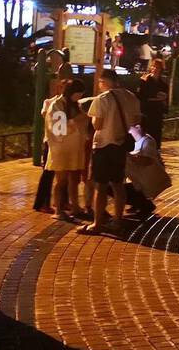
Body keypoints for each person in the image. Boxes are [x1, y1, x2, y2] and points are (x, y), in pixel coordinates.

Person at [82, 69, 141, 236]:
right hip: (122, 145)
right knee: (118, 184)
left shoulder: (103, 99)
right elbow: (136, 121)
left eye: (100, 82)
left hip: (104, 146)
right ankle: (118, 220)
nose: (99, 85)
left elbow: (97, 125)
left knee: (100, 185)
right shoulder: (131, 97)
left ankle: (97, 222)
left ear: (105, 82)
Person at [41, 80, 89, 221]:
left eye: (80, 94)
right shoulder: (56, 105)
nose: (79, 97)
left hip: (75, 147)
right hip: (60, 149)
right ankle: (59, 209)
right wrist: (76, 120)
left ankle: (75, 206)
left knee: (74, 178)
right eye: (77, 94)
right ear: (70, 92)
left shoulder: (77, 105)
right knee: (61, 180)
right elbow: (58, 128)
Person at [124, 122, 170, 220]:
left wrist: (129, 157)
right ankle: (140, 203)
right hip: (142, 181)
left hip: (146, 181)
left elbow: (146, 160)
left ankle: (144, 204)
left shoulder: (146, 141)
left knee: (115, 188)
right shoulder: (142, 140)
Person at [138, 58, 169, 146]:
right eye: (153, 66)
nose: (155, 69)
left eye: (158, 67)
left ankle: (156, 153)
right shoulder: (145, 81)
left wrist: (163, 103)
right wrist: (156, 98)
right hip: (147, 113)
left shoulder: (163, 84)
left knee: (156, 135)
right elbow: (141, 96)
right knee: (146, 135)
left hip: (158, 113)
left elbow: (165, 98)